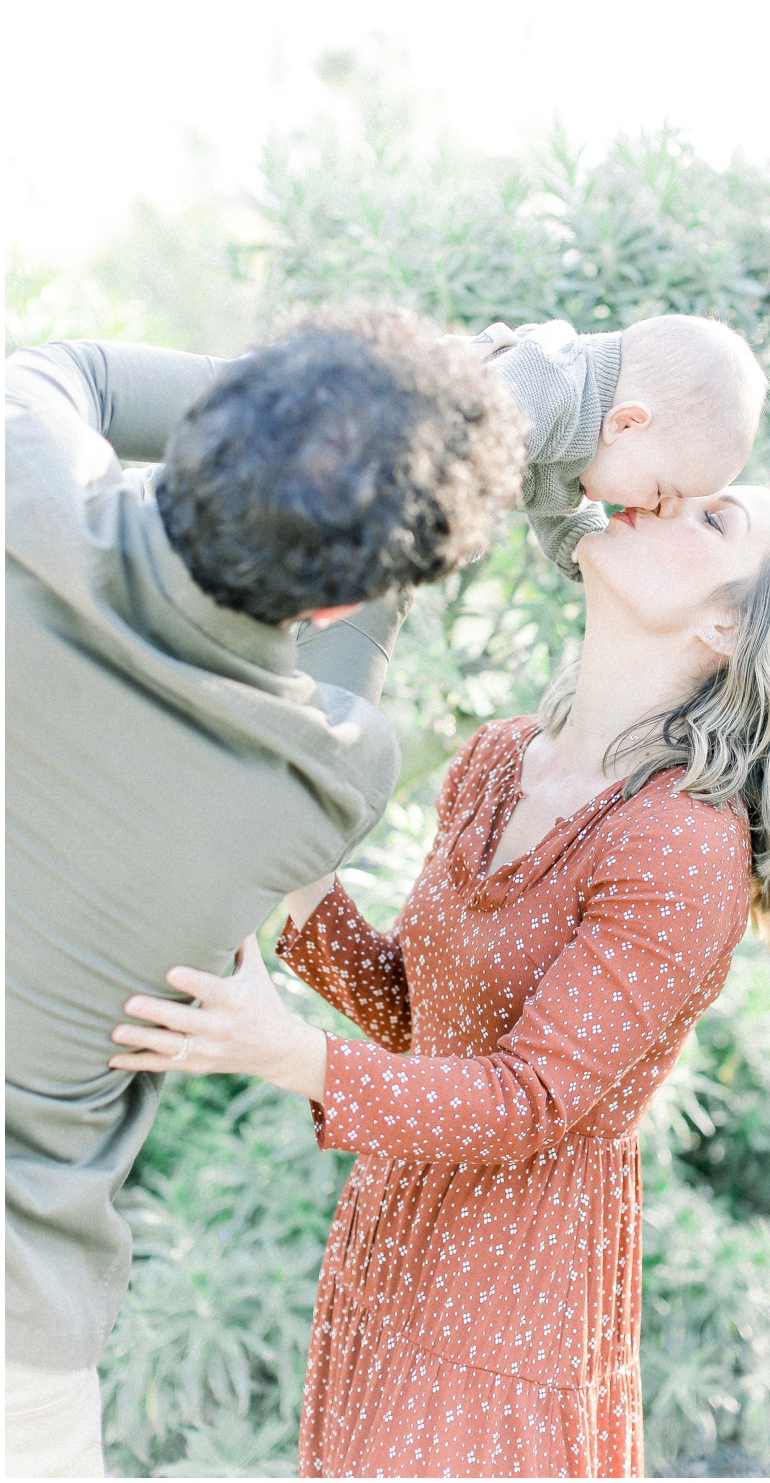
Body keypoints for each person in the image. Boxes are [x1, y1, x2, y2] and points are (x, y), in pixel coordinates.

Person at [113, 480, 770, 1478]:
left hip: (511, 1301)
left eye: (715, 519)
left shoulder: (683, 842)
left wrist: (283, 1053)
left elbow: (530, 1097)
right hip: (390, 1243)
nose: (662, 501)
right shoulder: (498, 760)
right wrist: (303, 873)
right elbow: (420, 1017)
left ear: (729, 627)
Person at [4, 309, 523, 1478]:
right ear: (346, 598)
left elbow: (75, 369)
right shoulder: (324, 774)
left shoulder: (20, 471)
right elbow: (347, 669)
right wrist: (430, 442)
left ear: (205, 433)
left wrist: (321, 405)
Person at [474, 313, 767, 578]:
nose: (652, 507)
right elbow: (467, 428)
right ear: (626, 423)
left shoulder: (583, 450)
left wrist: (583, 548)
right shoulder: (552, 379)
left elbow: (553, 497)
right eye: (659, 491)